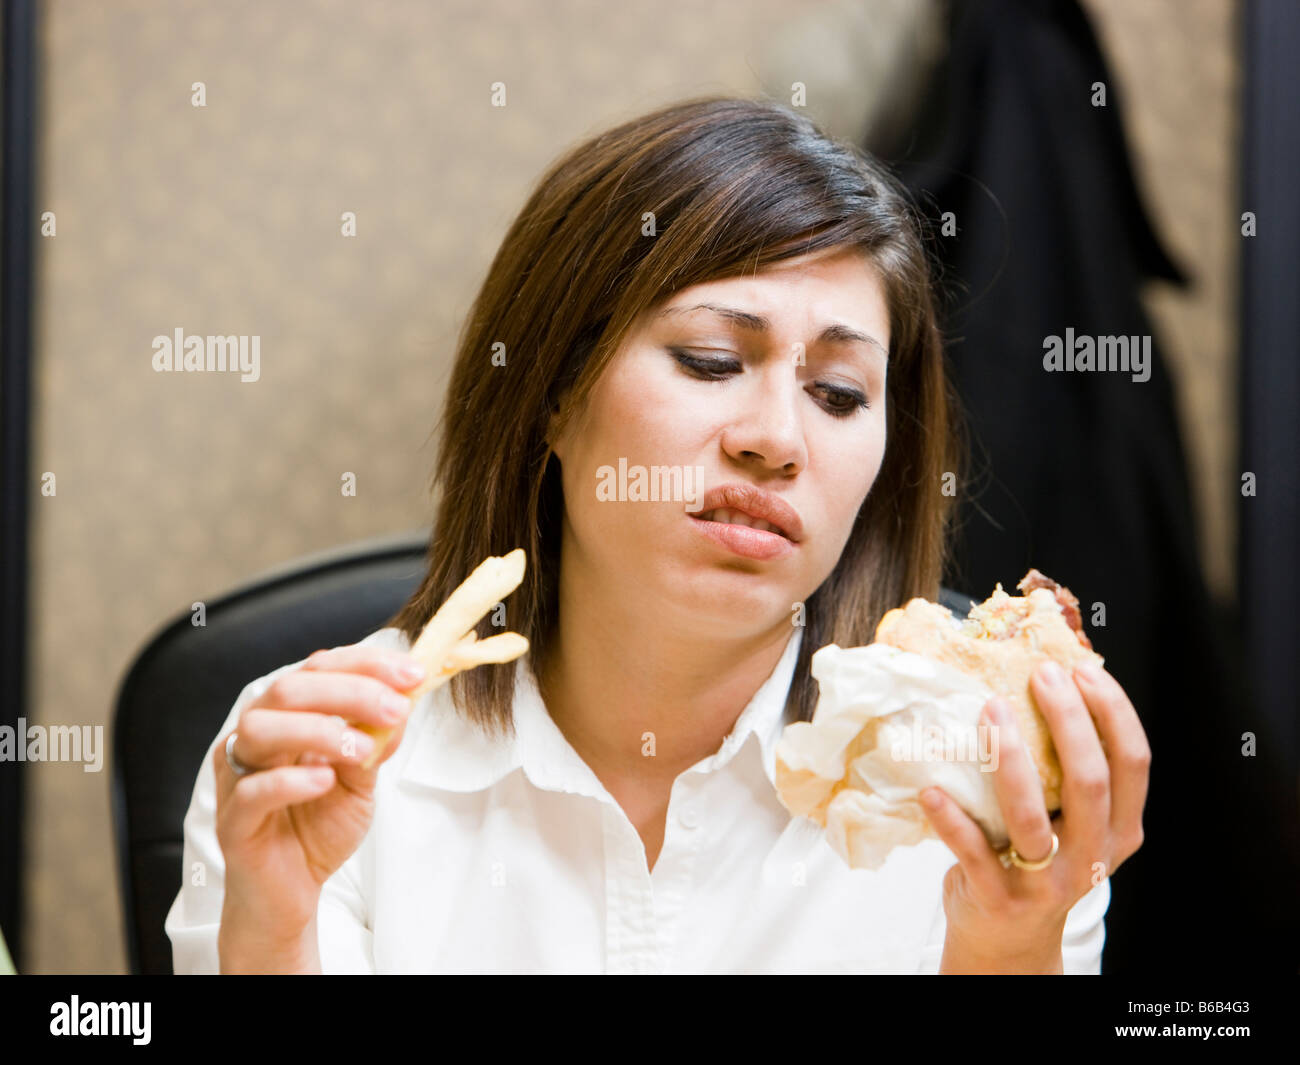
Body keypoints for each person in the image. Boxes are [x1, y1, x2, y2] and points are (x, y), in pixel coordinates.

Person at [164, 95, 1149, 974]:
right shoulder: (316, 764)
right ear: (553, 394)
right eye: (711, 360)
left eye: (839, 393)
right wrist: (271, 937)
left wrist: (1010, 946)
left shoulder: (987, 780)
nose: (775, 440)